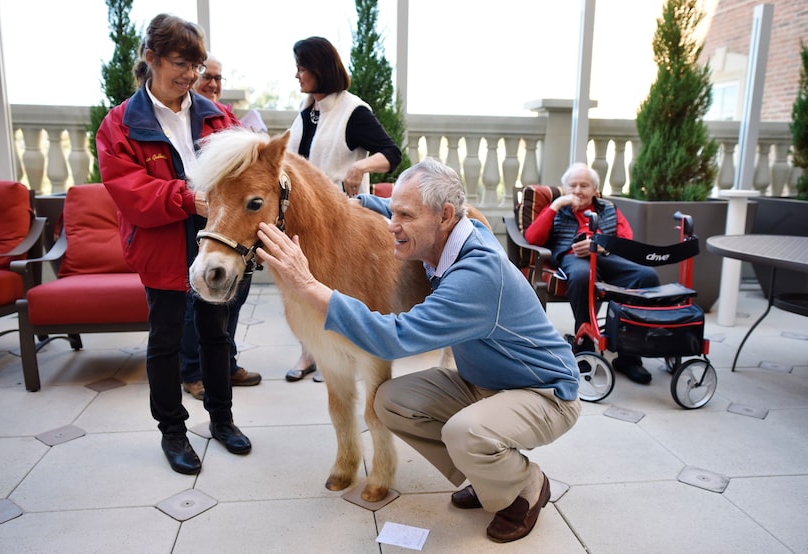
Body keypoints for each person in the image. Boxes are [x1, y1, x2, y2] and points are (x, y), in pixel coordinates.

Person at [255, 158, 581, 544]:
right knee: (392, 401)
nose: (393, 225)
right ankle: (488, 474)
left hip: (543, 393)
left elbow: (394, 338)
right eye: (393, 210)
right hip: (488, 382)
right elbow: (391, 212)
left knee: (465, 433)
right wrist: (352, 204)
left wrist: (309, 285)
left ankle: (527, 487)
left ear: (444, 216)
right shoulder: (454, 235)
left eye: (405, 215)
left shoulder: (477, 274)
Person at [96, 13, 251, 476]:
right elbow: (132, 193)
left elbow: (246, 168)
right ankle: (173, 432)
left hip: (213, 238)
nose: (191, 75)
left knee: (215, 334)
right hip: (161, 240)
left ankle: (222, 421)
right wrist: (188, 197)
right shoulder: (120, 125)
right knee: (165, 340)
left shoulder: (218, 116)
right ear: (151, 57)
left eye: (197, 66)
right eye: (182, 63)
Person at [284, 36, 402, 383]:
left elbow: (391, 153)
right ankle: (311, 352)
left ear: (320, 68)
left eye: (302, 68)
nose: (297, 75)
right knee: (301, 288)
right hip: (305, 220)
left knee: (337, 287)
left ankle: (337, 356)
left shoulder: (354, 111)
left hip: (341, 220)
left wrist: (360, 168)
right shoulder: (306, 113)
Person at [524, 162, 660, 384]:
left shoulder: (608, 208)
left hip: (608, 256)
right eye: (572, 185)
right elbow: (532, 238)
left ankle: (630, 356)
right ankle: (585, 344)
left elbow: (626, 240)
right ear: (565, 187)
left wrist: (602, 246)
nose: (577, 190)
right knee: (581, 276)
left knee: (647, 276)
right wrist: (556, 205)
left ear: (595, 190)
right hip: (573, 257)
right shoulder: (556, 209)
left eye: (584, 185)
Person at [181, 51, 262, 401]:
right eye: (207, 76)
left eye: (218, 78)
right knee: (196, 299)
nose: (213, 83)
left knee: (235, 297)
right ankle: (193, 372)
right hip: (196, 222)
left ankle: (226, 364)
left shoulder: (225, 117)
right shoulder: (182, 118)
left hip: (231, 223)